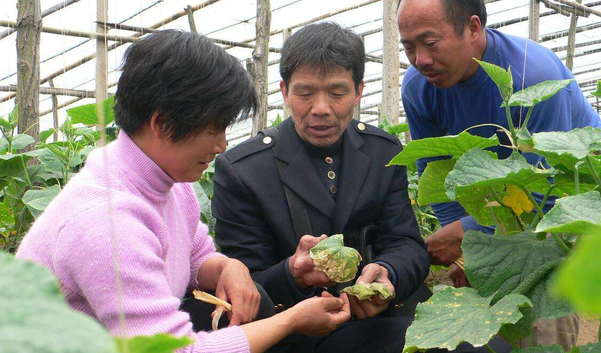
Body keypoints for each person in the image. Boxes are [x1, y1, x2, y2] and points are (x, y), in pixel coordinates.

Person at [16, 29, 351, 353]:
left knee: (254, 300)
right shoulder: (106, 223)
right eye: (213, 129)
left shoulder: (169, 183)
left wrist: (226, 267)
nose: (221, 145)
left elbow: (195, 258)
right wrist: (291, 320)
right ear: (162, 123)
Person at [212, 22, 510, 353]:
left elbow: (406, 243)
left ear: (358, 91)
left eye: (337, 93)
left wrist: (388, 274)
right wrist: (293, 274)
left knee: (489, 348)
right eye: (305, 92)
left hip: (389, 318)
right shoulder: (244, 170)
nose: (321, 108)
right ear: (284, 91)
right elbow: (241, 285)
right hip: (303, 332)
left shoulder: (381, 151)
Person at [397, 0, 601, 350]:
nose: (420, 59)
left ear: (473, 28)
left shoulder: (531, 75)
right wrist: (468, 255)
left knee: (544, 320)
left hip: (574, 197)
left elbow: (547, 188)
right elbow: (439, 178)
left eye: (429, 42)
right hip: (503, 196)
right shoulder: (417, 87)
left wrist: (469, 235)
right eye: (408, 47)